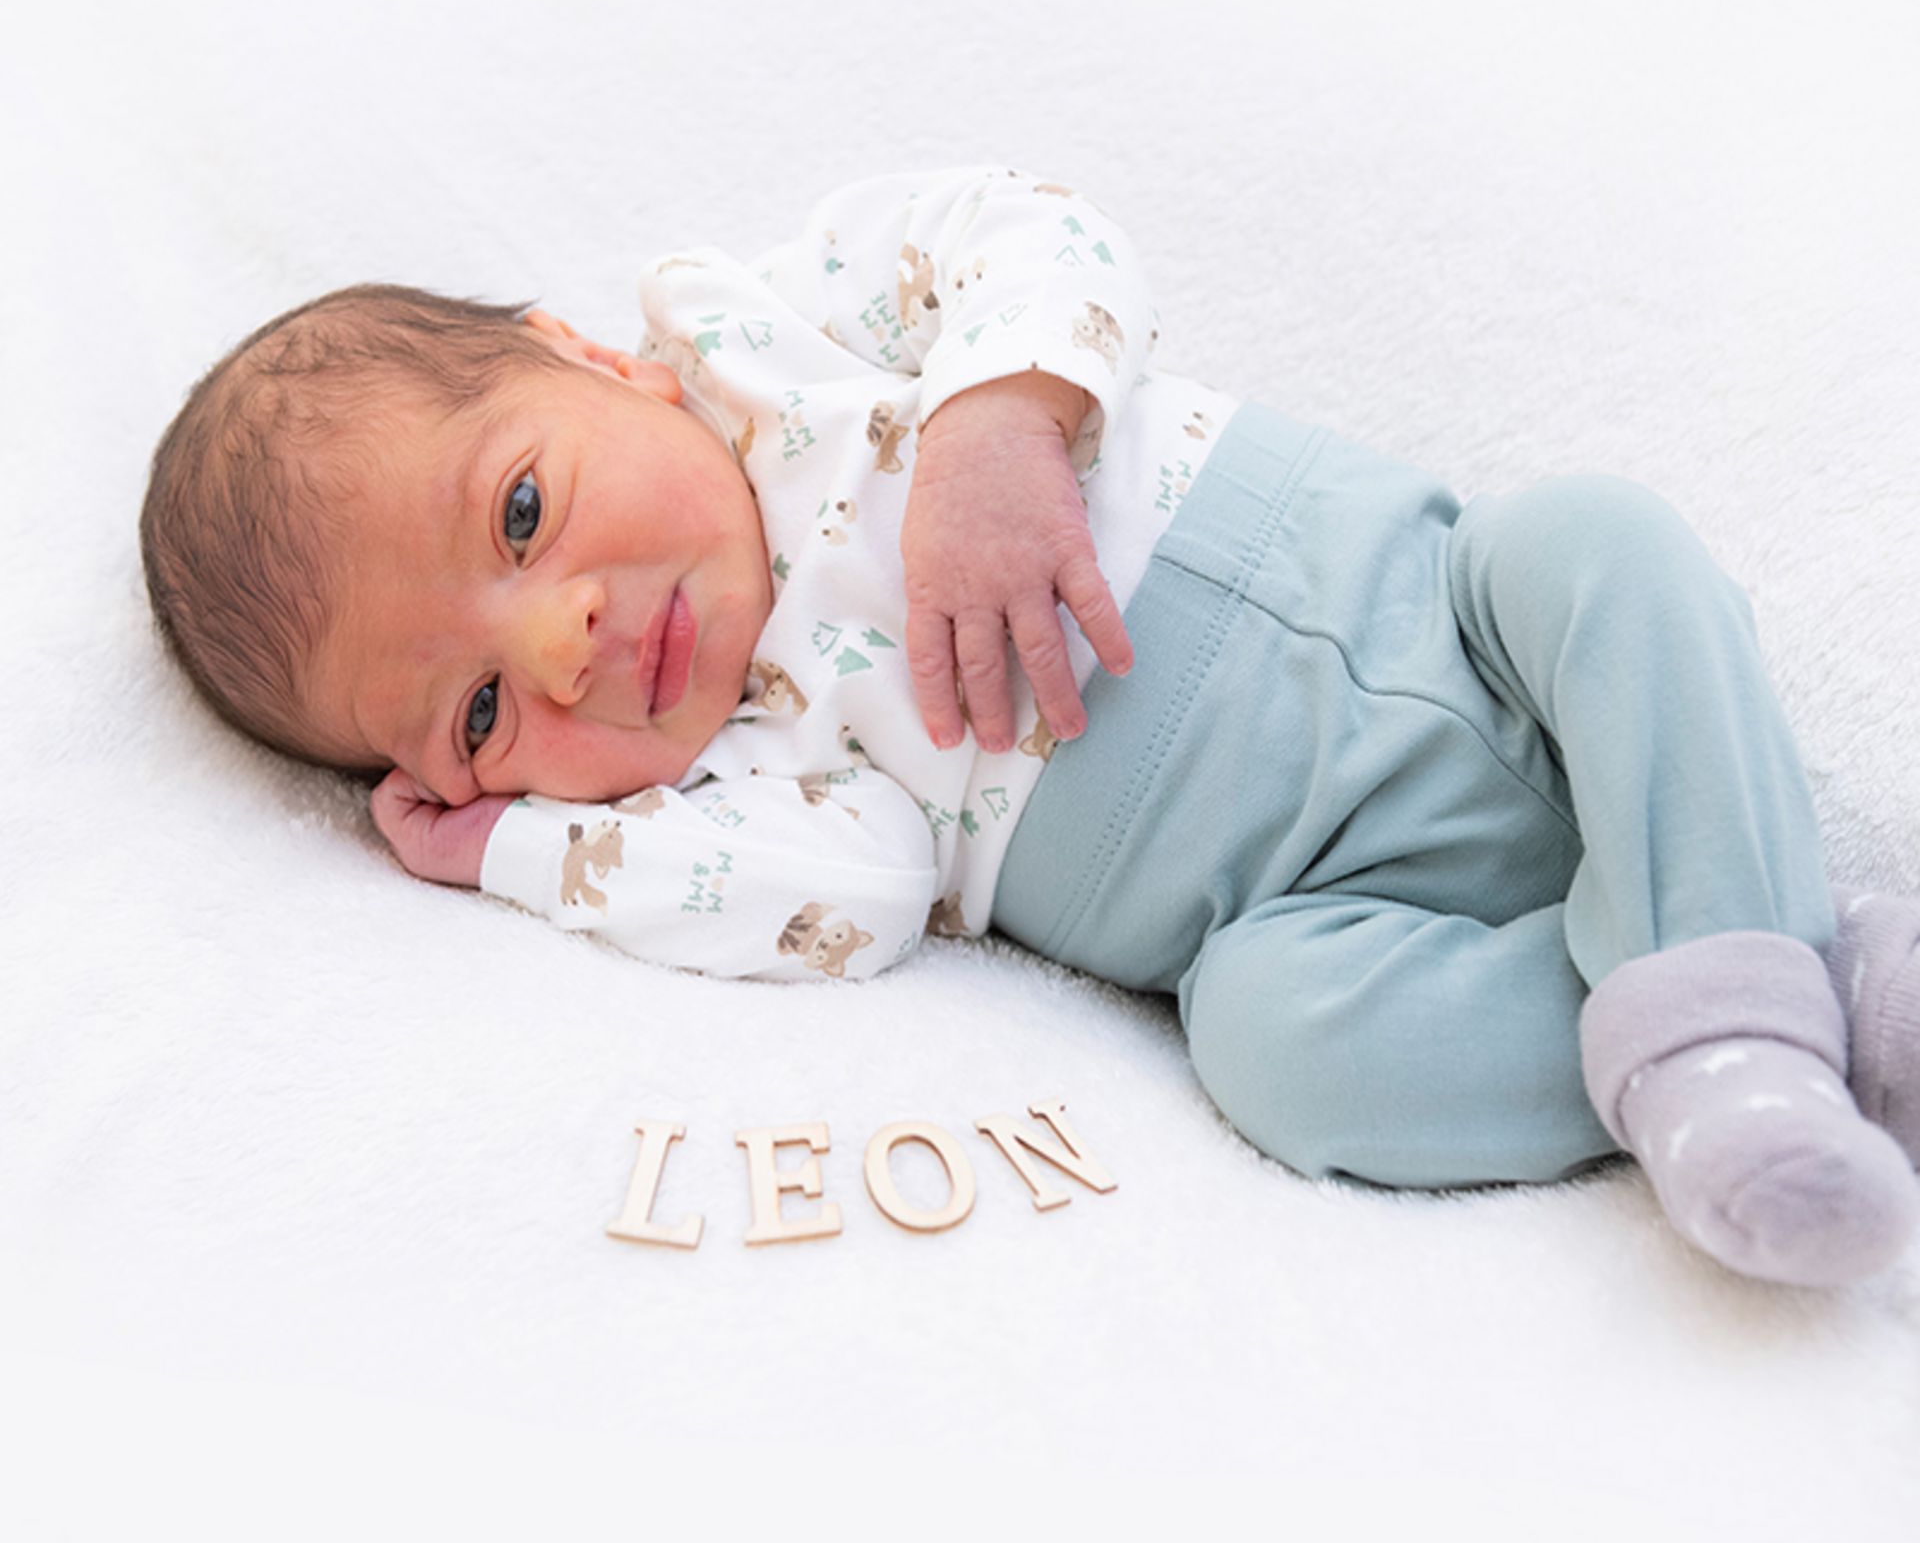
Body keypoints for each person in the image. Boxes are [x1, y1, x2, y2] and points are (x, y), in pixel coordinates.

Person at [140, 162, 1920, 1288]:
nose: (560, 642)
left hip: (1478, 625)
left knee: (1597, 541)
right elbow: (851, 908)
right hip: (1326, 909)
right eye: (476, 710)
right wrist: (531, 856)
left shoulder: (786, 328)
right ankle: (1776, 1018)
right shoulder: (732, 785)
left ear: (588, 358)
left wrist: (998, 419)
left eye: (521, 514)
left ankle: (1742, 1002)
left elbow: (1041, 234)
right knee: (1275, 1053)